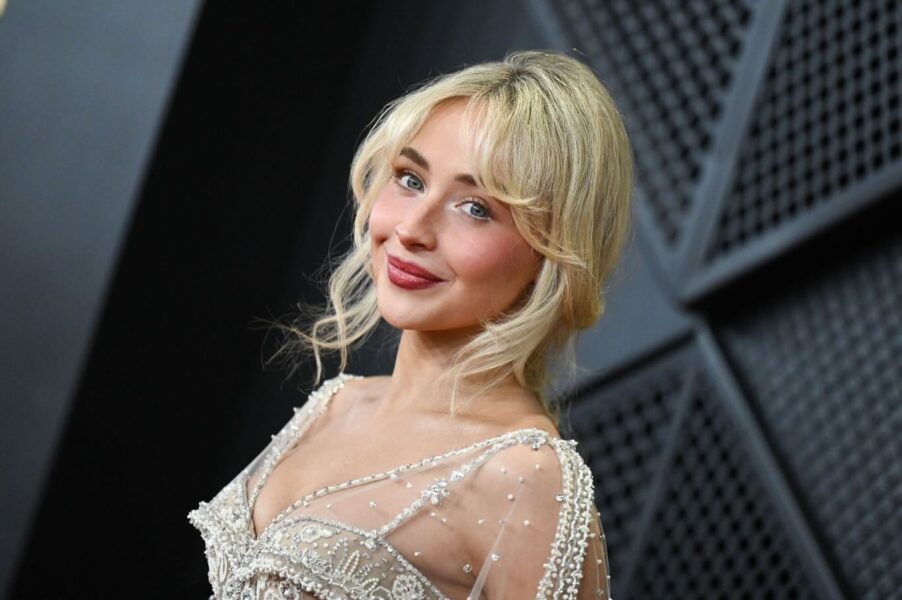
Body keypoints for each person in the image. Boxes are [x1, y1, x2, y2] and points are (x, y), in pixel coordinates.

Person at [189, 49, 633, 599]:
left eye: (476, 208)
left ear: (553, 255)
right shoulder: (336, 404)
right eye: (410, 179)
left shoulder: (526, 476)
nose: (412, 229)